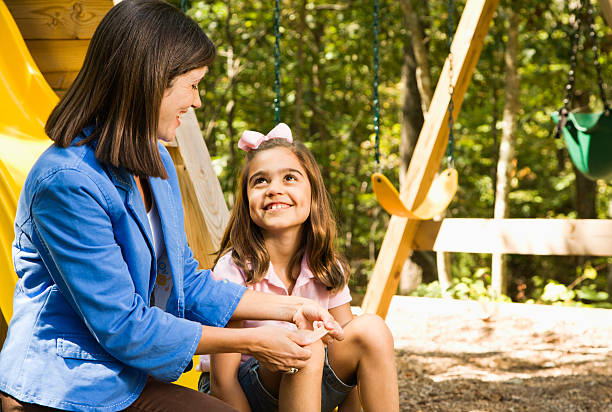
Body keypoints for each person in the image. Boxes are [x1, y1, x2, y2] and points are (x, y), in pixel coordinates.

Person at [0, 2, 343, 411]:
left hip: (123, 379)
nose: (197, 101)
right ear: (151, 81)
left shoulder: (156, 160)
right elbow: (123, 325)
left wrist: (293, 307)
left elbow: (187, 281)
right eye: (192, 84)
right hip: (64, 389)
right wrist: (254, 339)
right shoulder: (66, 183)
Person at [201, 123, 399, 412]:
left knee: (371, 330)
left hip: (307, 380)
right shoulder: (235, 269)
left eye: (290, 178)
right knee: (307, 346)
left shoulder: (325, 265)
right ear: (246, 200)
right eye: (260, 181)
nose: (274, 190)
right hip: (240, 394)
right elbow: (222, 383)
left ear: (313, 194)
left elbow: (347, 352)